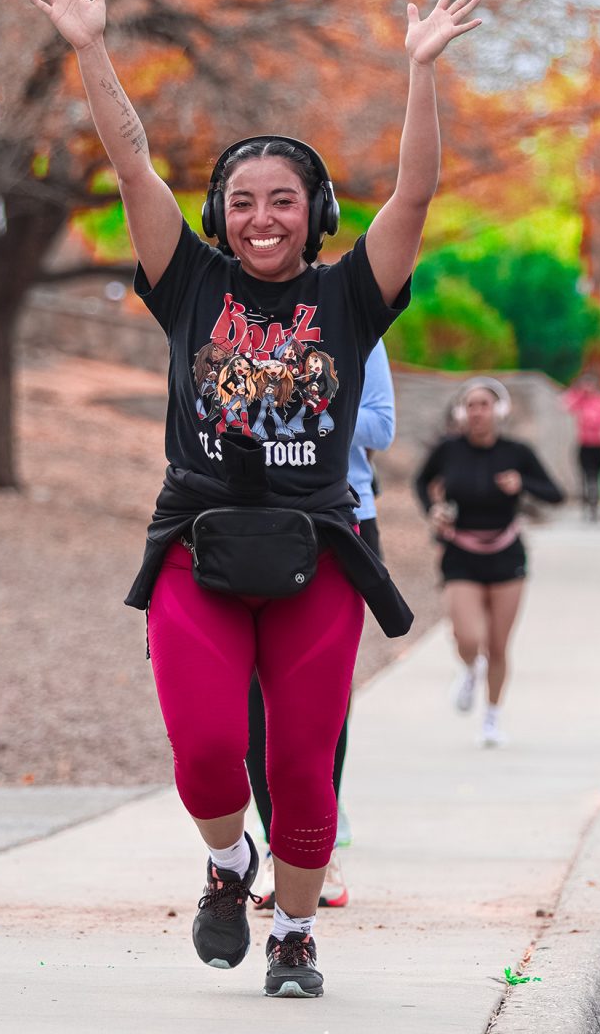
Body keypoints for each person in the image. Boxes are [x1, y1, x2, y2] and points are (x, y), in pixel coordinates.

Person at [27, 0, 481, 999]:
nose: (262, 216)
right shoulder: (188, 283)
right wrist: (92, 49)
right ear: (219, 212)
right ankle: (229, 864)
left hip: (322, 552)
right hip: (199, 545)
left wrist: (421, 71)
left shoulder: (350, 295)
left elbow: (417, 190)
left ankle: (292, 933)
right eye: (241, 201)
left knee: (304, 771)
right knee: (205, 751)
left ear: (314, 211)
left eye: (284, 200)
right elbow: (135, 167)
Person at [247, 338, 396, 912]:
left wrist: (302, 406)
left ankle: (317, 845)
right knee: (252, 690)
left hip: (342, 520)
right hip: (249, 519)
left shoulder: (354, 321)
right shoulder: (235, 324)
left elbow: (380, 427)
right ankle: (272, 840)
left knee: (320, 695)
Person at [414, 378, 564, 747]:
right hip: (460, 553)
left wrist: (522, 484)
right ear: (461, 412)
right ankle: (468, 668)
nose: (476, 412)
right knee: (469, 637)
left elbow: (556, 494)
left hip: (506, 553)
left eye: (484, 405)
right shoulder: (449, 450)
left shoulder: (517, 452)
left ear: (499, 411)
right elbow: (421, 481)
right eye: (470, 405)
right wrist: (433, 510)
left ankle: (492, 719)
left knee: (497, 646)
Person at [562, 372, 600, 521]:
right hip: (584, 444)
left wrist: (589, 419)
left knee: (598, 477)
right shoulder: (580, 400)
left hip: (598, 444)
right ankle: (588, 504)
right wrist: (578, 393)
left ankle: (598, 504)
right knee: (585, 477)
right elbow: (565, 404)